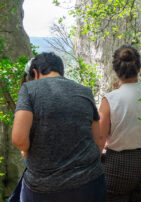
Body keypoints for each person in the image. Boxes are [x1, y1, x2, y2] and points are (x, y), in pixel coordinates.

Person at [12, 52, 106, 202]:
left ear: (35, 72)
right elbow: (97, 140)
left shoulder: (29, 89)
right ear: (61, 72)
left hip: (44, 189)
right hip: (90, 184)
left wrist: (27, 150)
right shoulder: (85, 91)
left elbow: (19, 139)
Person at [99, 45, 141, 201]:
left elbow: (100, 140)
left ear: (115, 70)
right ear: (139, 68)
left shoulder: (110, 99)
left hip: (117, 165)